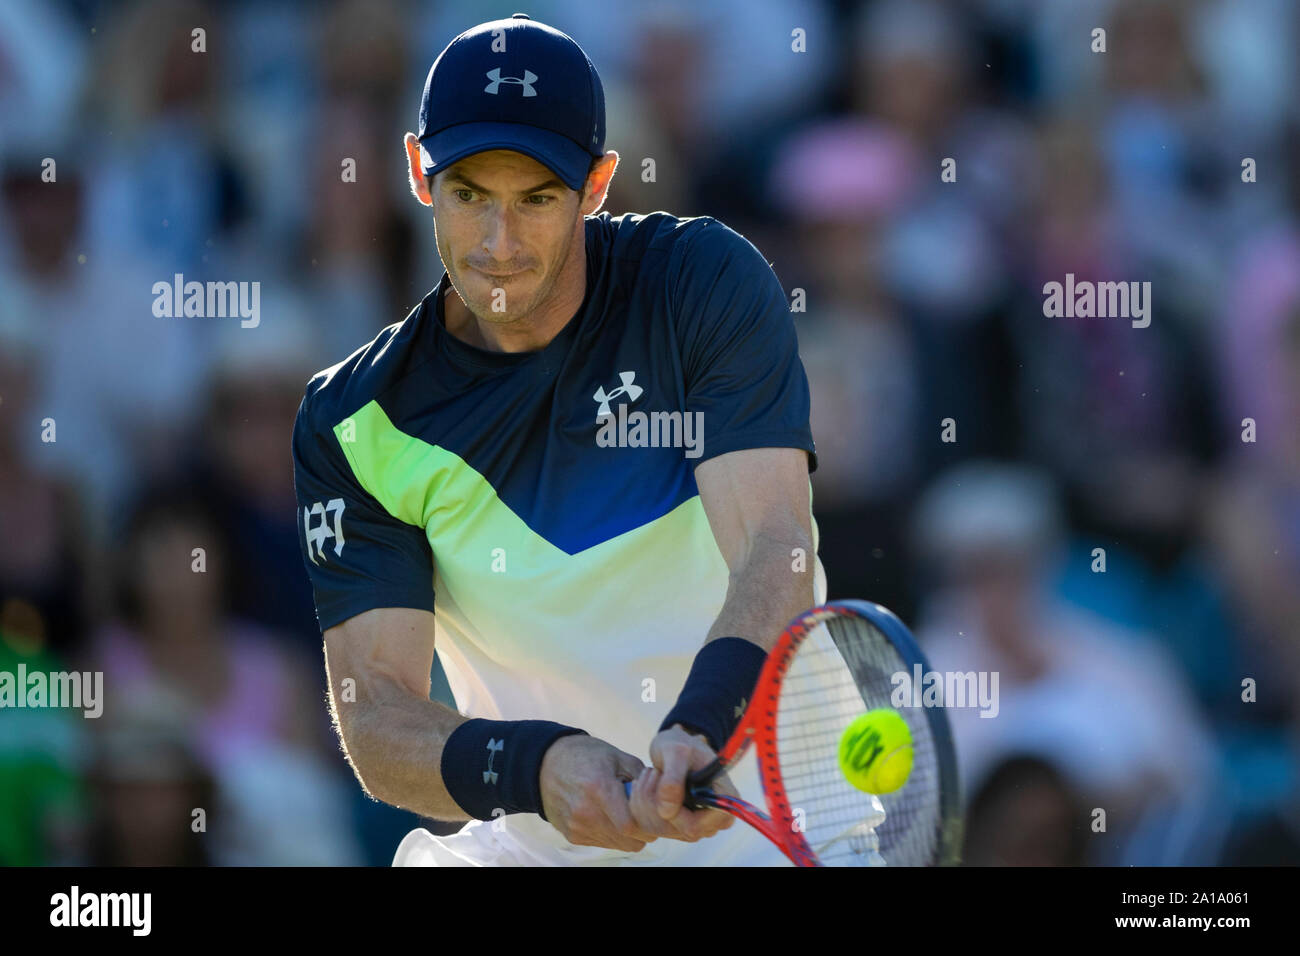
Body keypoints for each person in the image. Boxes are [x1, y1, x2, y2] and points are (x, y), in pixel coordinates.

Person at [292, 15, 823, 865]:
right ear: (416, 175)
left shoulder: (701, 282)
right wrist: (534, 768)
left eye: (537, 197)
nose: (499, 247)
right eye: (470, 194)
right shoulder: (355, 423)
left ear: (600, 183)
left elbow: (777, 545)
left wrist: (700, 725)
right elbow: (376, 718)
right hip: (537, 845)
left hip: (777, 820)